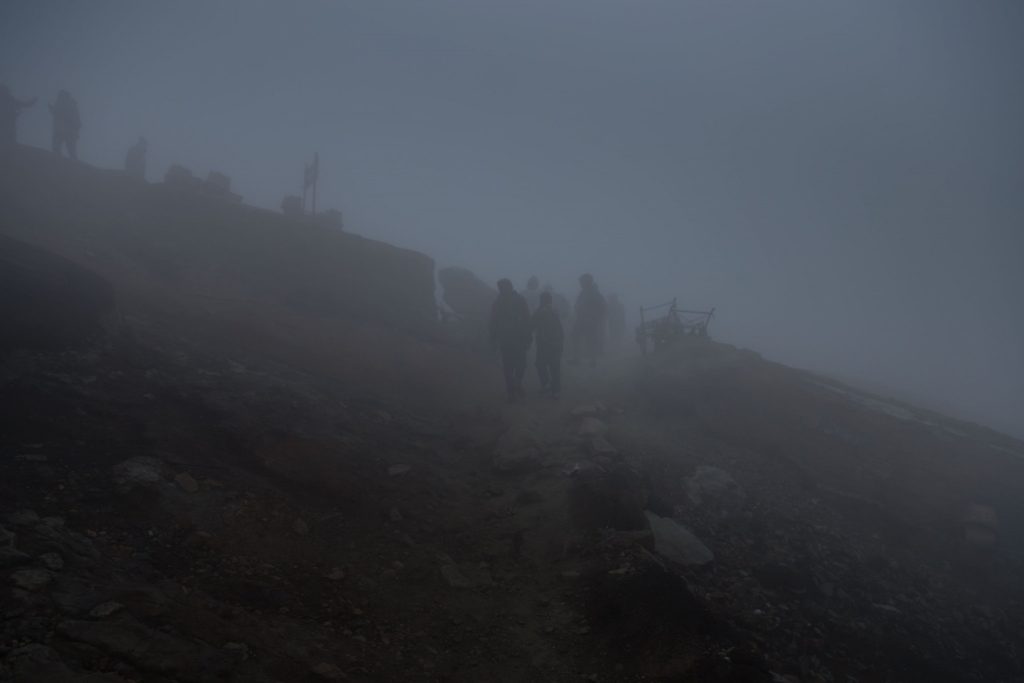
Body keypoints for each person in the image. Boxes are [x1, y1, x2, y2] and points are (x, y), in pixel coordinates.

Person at [489, 278, 532, 401]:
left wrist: (528, 336)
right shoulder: (498, 302)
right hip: (507, 339)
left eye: (503, 287)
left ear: (510, 287)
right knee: (509, 366)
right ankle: (512, 390)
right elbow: (493, 322)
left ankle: (516, 384)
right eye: (500, 287)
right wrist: (493, 338)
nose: (501, 289)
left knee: (520, 365)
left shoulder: (519, 300)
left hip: (518, 338)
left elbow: (526, 318)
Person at [532, 290, 564, 399]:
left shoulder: (540, 311)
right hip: (555, 344)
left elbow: (532, 325)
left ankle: (546, 384)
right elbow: (560, 329)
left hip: (544, 344)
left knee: (541, 364)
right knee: (554, 367)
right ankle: (555, 391)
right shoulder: (555, 311)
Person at [571, 273, 607, 367]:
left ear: (587, 282)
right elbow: (578, 303)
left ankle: (592, 360)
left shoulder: (594, 293)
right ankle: (577, 358)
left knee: (591, 339)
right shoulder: (583, 292)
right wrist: (577, 308)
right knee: (575, 336)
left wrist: (595, 317)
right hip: (581, 319)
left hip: (590, 320)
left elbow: (602, 306)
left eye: (582, 282)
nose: (580, 284)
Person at [49, 90, 80, 159]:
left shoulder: (65, 104)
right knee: (70, 150)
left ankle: (60, 162)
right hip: (68, 131)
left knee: (58, 148)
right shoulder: (72, 105)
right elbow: (77, 120)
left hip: (63, 131)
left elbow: (58, 113)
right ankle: (72, 165)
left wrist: (52, 109)